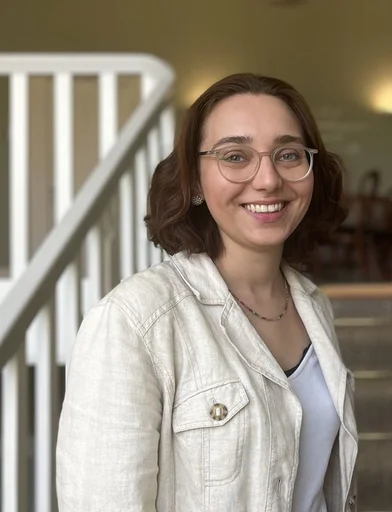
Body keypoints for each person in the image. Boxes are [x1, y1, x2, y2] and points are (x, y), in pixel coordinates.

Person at [56, 73, 358, 512]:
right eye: (235, 156)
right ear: (195, 182)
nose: (268, 179)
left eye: (288, 154)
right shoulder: (135, 321)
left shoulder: (314, 306)